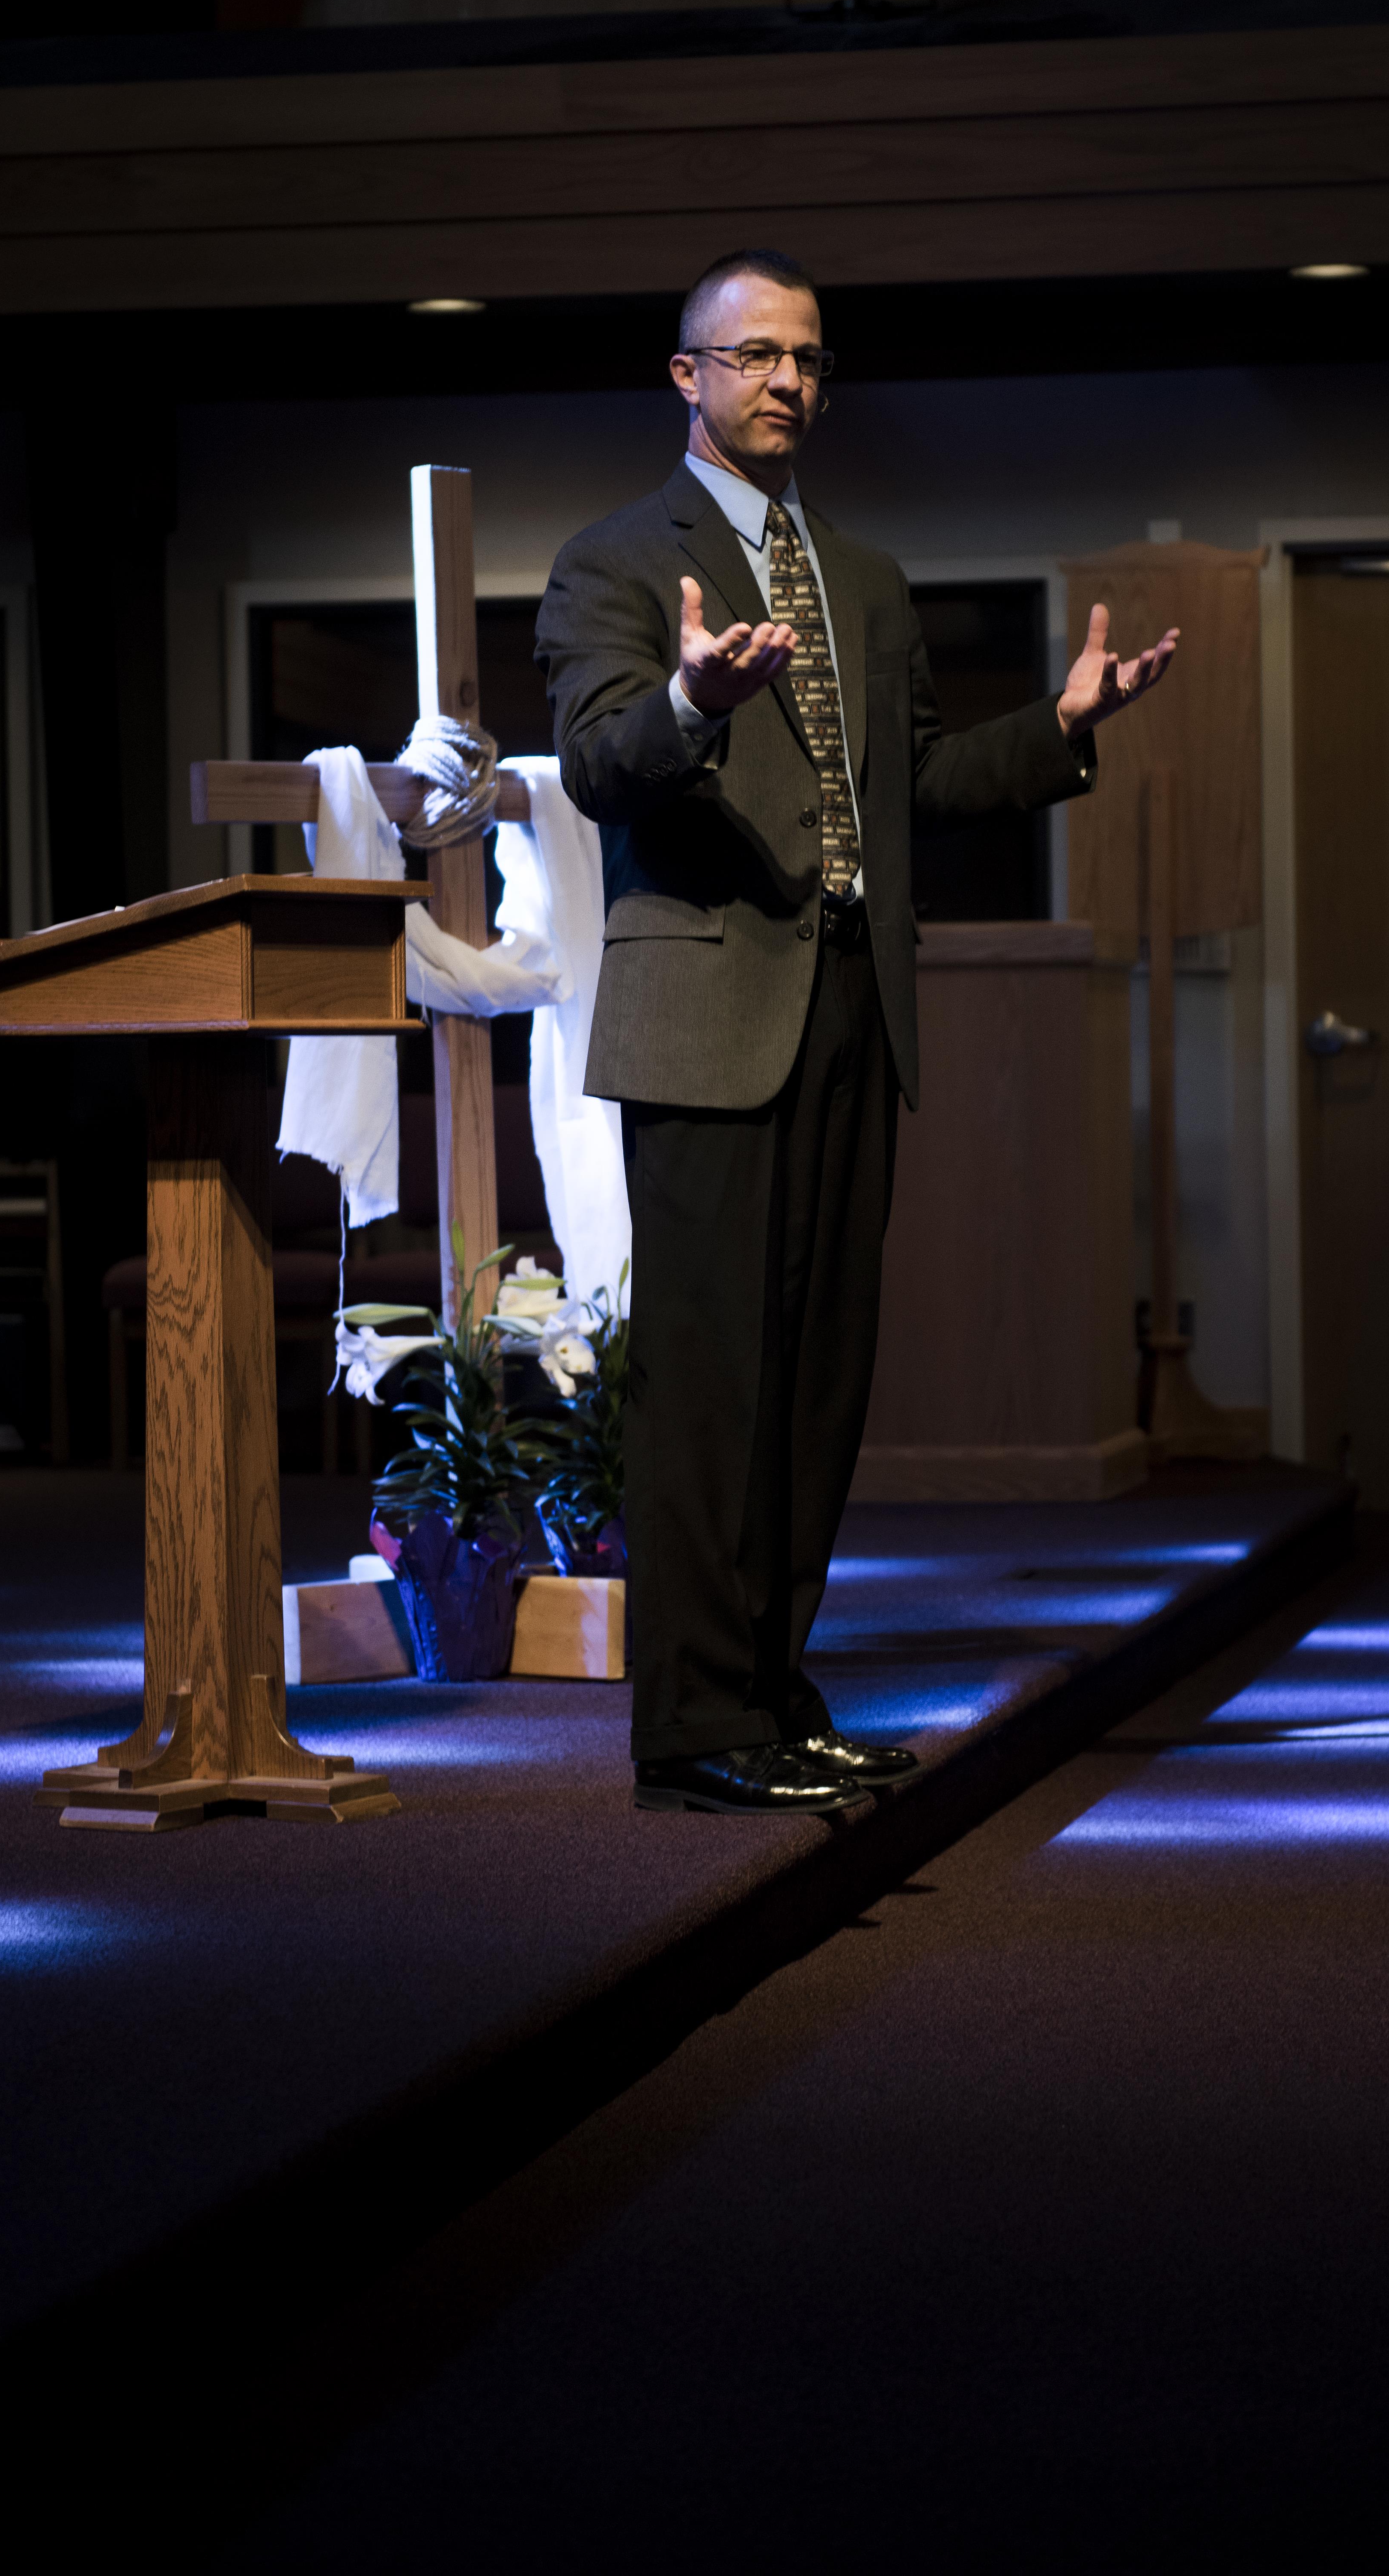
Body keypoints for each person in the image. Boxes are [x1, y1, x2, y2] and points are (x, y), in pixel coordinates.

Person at [535, 249, 1178, 1813]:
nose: (786, 380)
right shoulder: (615, 561)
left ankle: (774, 1693)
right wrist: (692, 701)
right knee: (712, 1382)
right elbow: (601, 765)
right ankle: (695, 1724)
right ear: (687, 377)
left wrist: (1060, 731)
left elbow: (920, 784)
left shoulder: (864, 577)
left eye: (809, 358)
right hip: (709, 1011)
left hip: (850, 1000)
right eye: (753, 354)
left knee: (820, 1382)